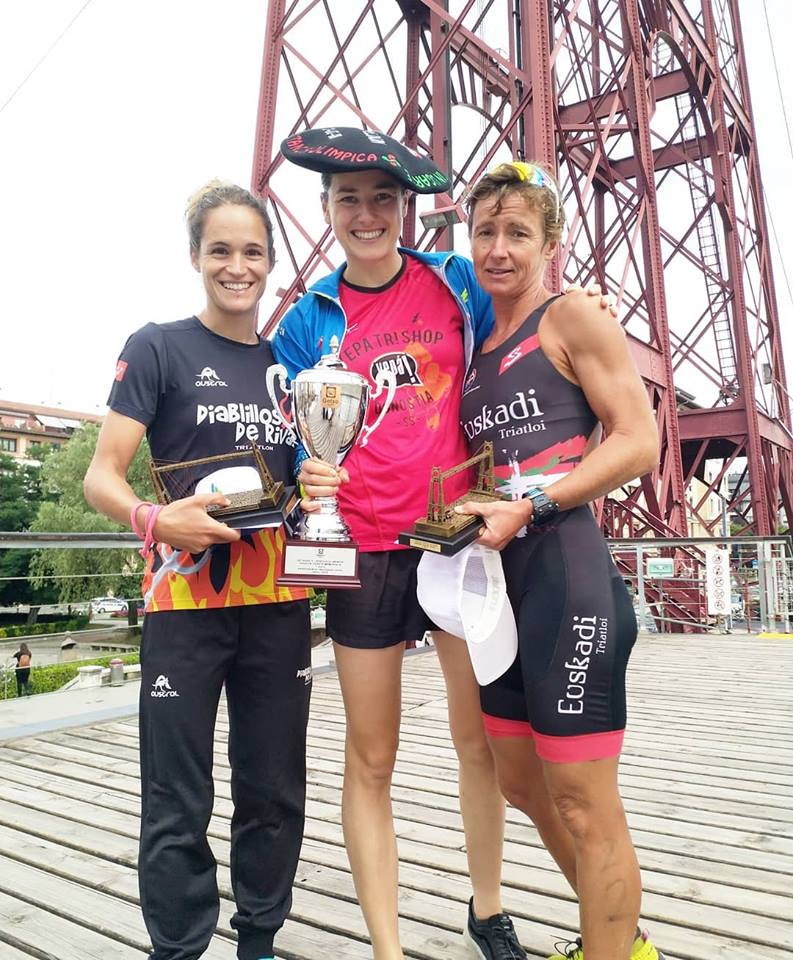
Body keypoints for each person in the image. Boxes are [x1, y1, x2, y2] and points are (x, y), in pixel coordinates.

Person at [275, 128, 611, 960]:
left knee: (482, 745)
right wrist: (301, 486)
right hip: (359, 555)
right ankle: (388, 950)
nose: (367, 215)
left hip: (457, 541)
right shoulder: (301, 324)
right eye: (348, 200)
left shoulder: (454, 280)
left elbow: (523, 300)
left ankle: (487, 908)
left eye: (383, 200)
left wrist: (584, 312)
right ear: (325, 211)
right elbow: (291, 450)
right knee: (371, 755)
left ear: (407, 209)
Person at [84, 180, 312, 960]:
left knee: (272, 789)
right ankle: (178, 949)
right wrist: (157, 519)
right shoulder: (157, 345)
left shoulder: (293, 366)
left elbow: (311, 470)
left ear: (270, 264)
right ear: (195, 257)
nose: (236, 266)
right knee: (176, 795)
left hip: (278, 602)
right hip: (182, 604)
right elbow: (101, 477)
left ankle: (258, 941)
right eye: (221, 250)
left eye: (252, 252)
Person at [451, 161, 663, 960]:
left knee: (581, 800)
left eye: (517, 233)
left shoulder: (572, 316)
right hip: (497, 590)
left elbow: (640, 442)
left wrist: (533, 505)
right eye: (485, 232)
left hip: (566, 576)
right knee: (520, 785)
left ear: (550, 243)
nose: (498, 249)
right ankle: (621, 942)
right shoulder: (479, 341)